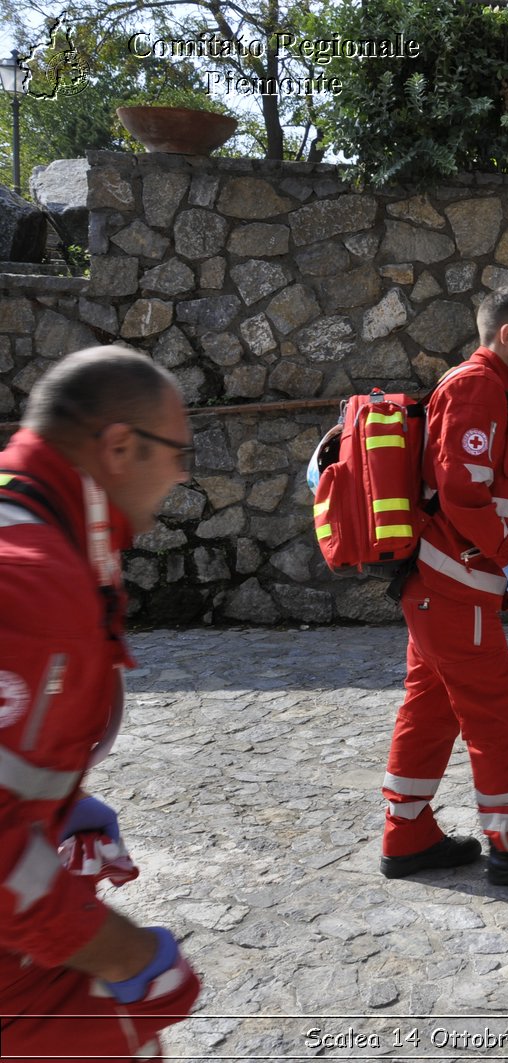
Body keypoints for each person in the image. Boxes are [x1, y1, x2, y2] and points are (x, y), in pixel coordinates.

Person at [0, 346, 202, 1061]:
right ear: (120, 446)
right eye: (177, 452)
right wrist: (123, 952)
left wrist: (49, 809)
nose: (181, 473)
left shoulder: (29, 525)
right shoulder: (35, 588)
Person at [380, 286, 508, 887]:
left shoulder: (495, 392)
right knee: (498, 712)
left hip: (440, 587)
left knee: (430, 710)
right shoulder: (479, 389)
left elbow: (497, 500)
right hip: (455, 587)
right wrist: (505, 555)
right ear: (507, 335)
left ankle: (407, 834)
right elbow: (462, 495)